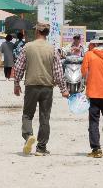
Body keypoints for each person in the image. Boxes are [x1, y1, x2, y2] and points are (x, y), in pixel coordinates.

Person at [13, 23, 65, 156]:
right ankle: (41, 148)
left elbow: (19, 67)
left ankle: (28, 135)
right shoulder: (52, 49)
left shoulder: (28, 47)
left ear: (37, 31)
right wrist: (63, 89)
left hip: (31, 86)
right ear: (46, 33)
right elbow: (58, 71)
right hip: (47, 87)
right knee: (44, 117)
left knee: (27, 114)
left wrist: (17, 84)